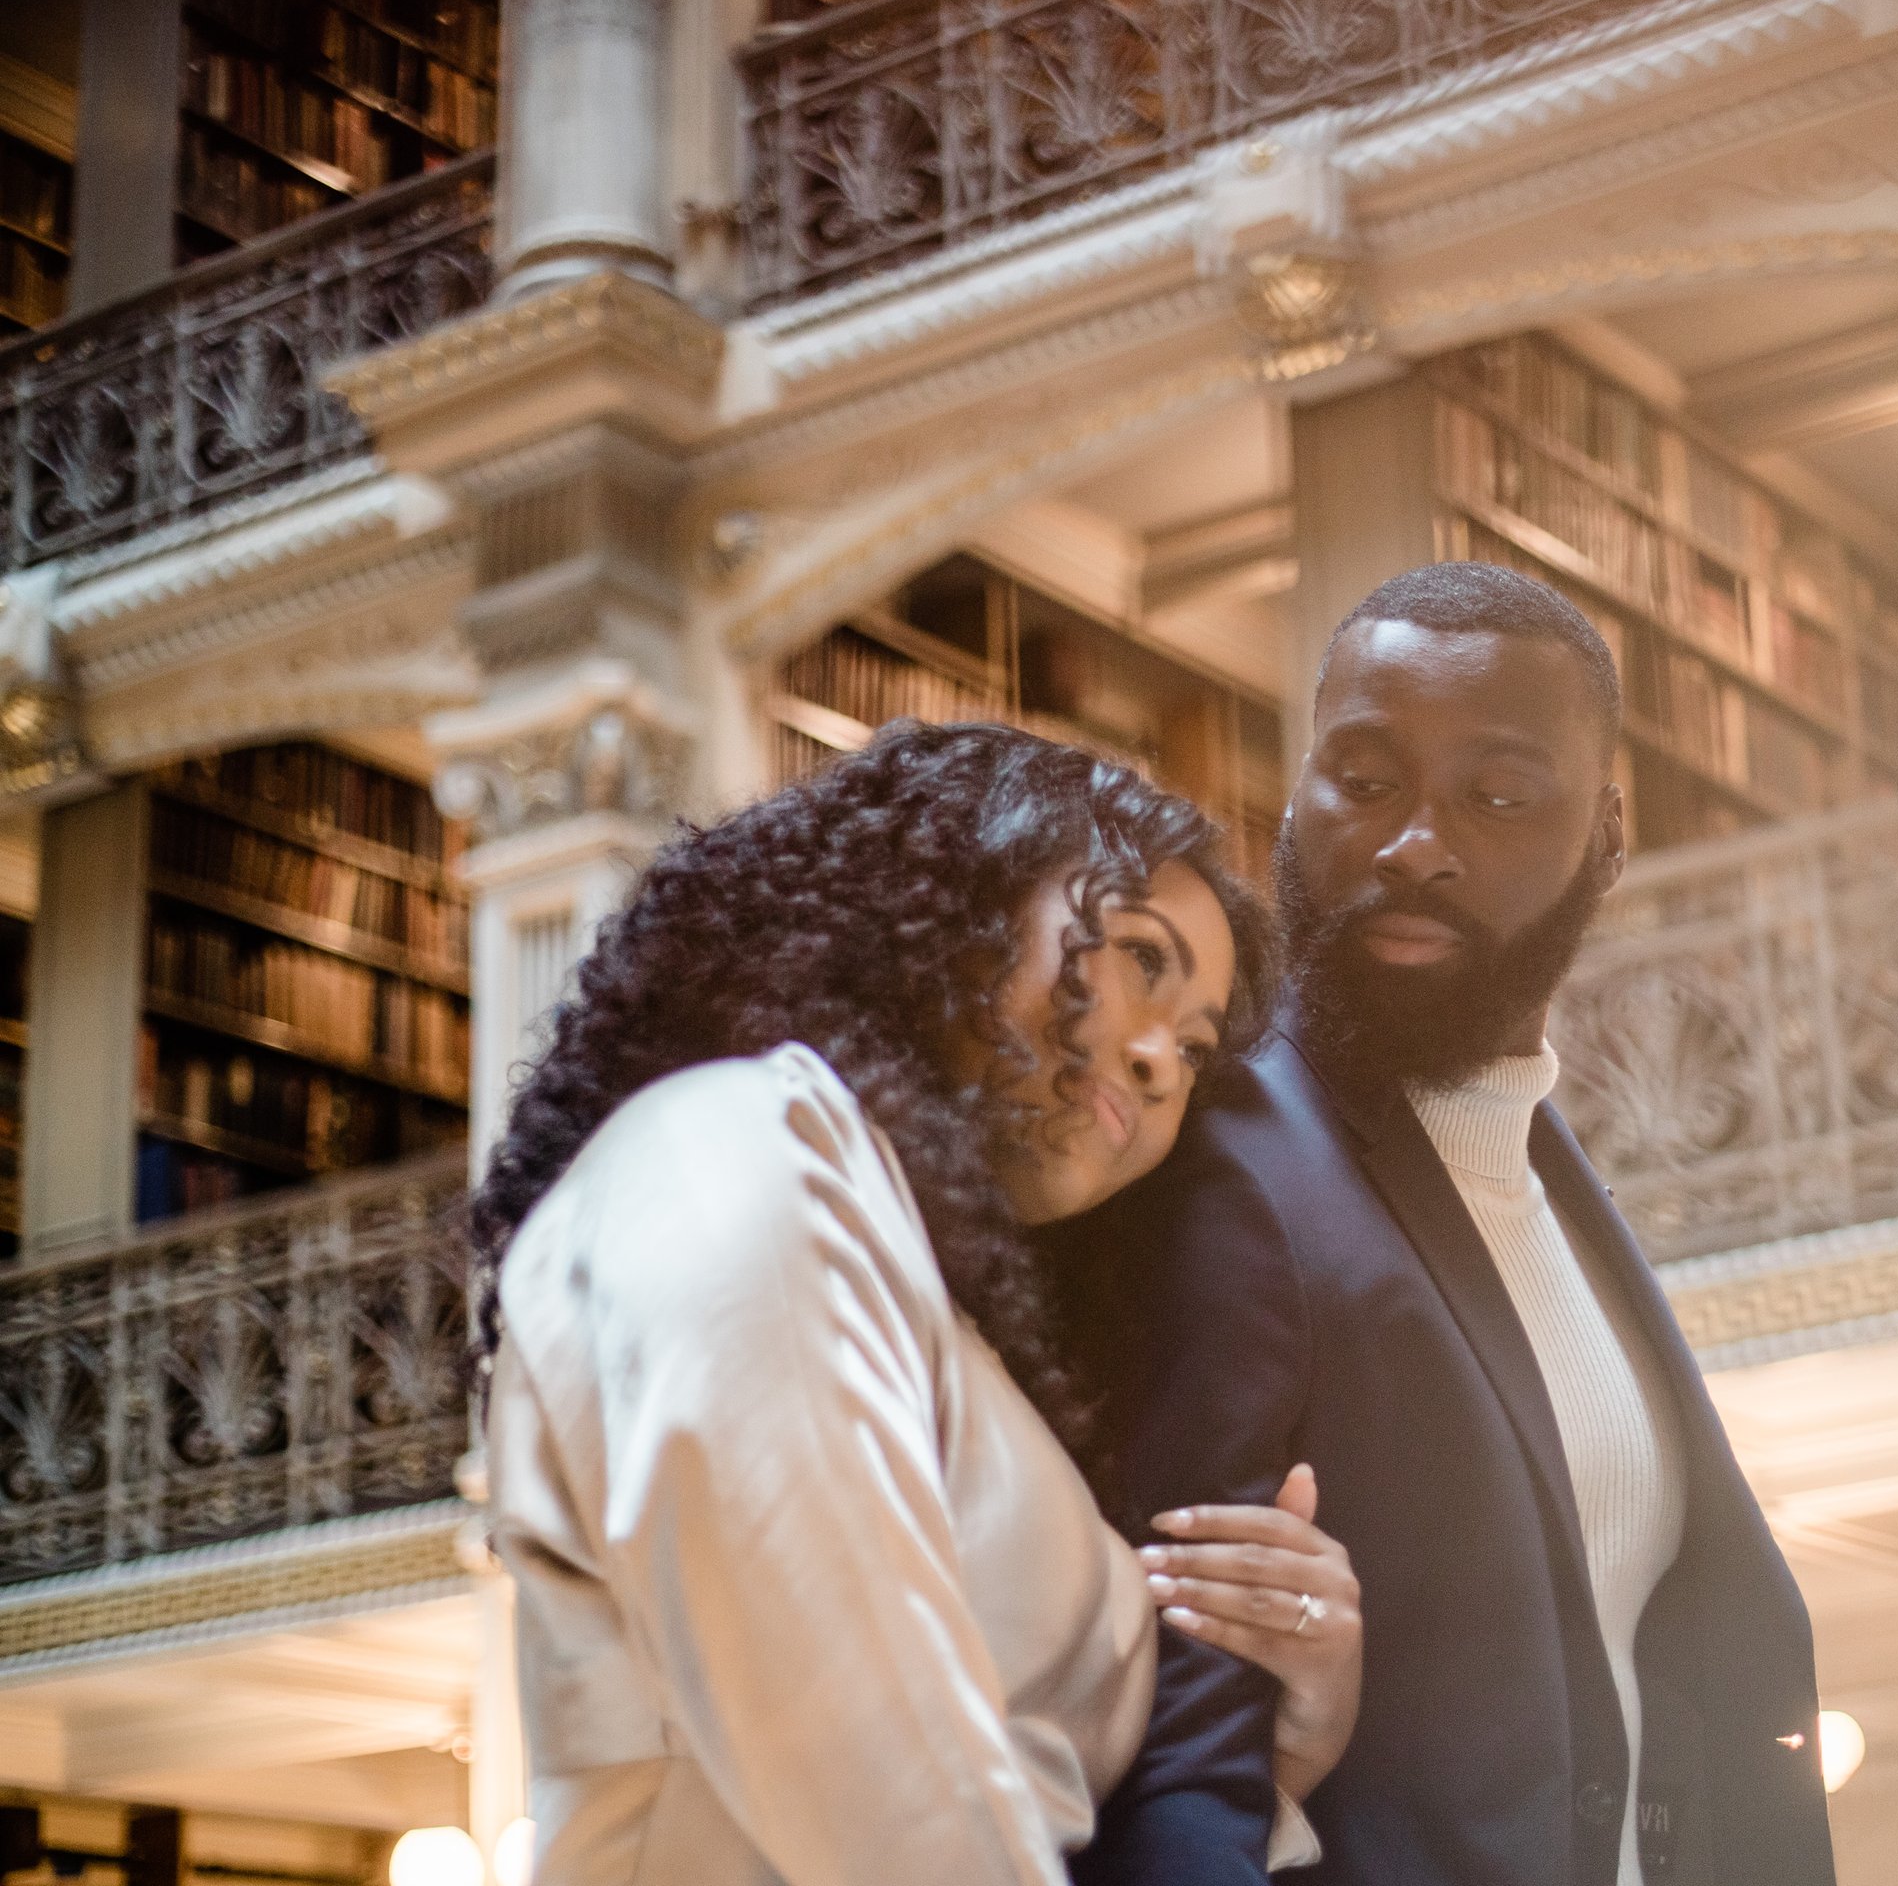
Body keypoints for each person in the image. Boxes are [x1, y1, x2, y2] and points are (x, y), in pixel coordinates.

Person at [473, 723, 1365, 1884]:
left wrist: (1279, 1729)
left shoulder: (940, 1314)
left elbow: (1022, 1791)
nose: (1159, 1063)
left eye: (1194, 1050)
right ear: (956, 893)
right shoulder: (736, 1149)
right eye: (1141, 958)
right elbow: (884, 1794)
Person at [1064, 564, 1837, 1886]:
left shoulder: (1543, 1170)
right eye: (1364, 783)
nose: (1415, 844)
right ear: (1299, 792)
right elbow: (1174, 1766)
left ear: (1605, 834)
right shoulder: (1224, 1164)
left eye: (1496, 795)